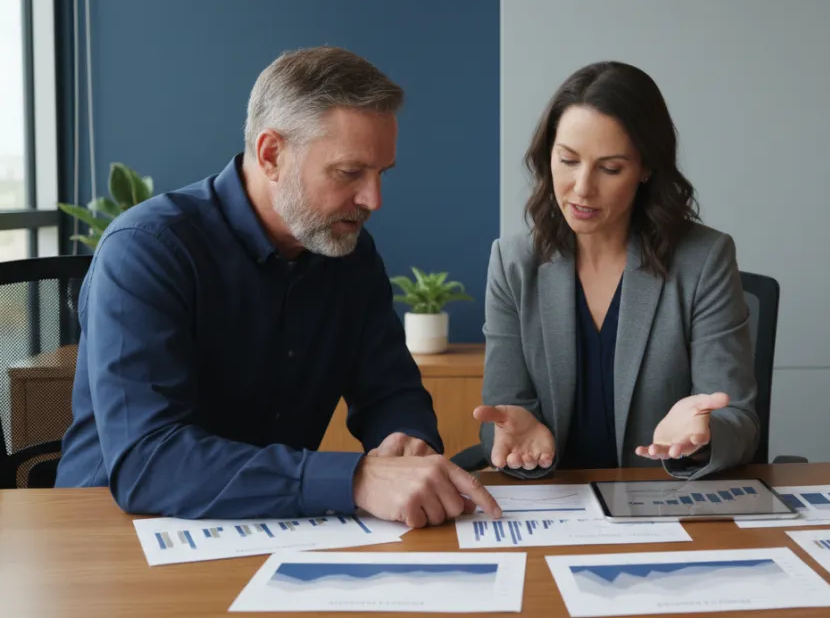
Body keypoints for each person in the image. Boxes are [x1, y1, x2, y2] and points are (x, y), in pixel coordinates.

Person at [56, 46, 501, 527]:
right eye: (350, 172)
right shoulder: (147, 249)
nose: (373, 199)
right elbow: (149, 461)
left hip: (272, 530)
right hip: (114, 533)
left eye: (381, 174)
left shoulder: (349, 254)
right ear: (271, 155)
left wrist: (407, 441)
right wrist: (355, 479)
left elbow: (390, 389)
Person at [473, 61, 759, 480]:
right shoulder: (513, 262)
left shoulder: (704, 259)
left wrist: (703, 435)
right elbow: (502, 415)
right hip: (557, 506)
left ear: (646, 168)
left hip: (663, 507)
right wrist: (513, 440)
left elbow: (740, 421)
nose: (582, 187)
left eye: (610, 169)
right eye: (568, 160)